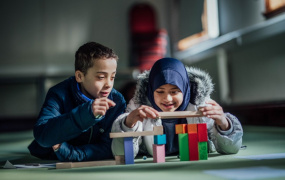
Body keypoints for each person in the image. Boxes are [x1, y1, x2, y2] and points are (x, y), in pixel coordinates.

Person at [111, 57, 243, 157]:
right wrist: (128, 123)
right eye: (160, 91)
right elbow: (122, 154)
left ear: (185, 89)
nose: (167, 99)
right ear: (151, 90)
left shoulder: (201, 105)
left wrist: (224, 123)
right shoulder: (138, 106)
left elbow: (231, 149)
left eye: (174, 91)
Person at [28, 42, 126, 162]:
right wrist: (87, 114)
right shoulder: (59, 93)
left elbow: (109, 147)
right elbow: (43, 136)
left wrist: (68, 152)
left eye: (112, 77)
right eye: (101, 77)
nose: (109, 84)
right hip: (51, 161)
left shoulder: (117, 101)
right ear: (79, 76)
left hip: (76, 158)